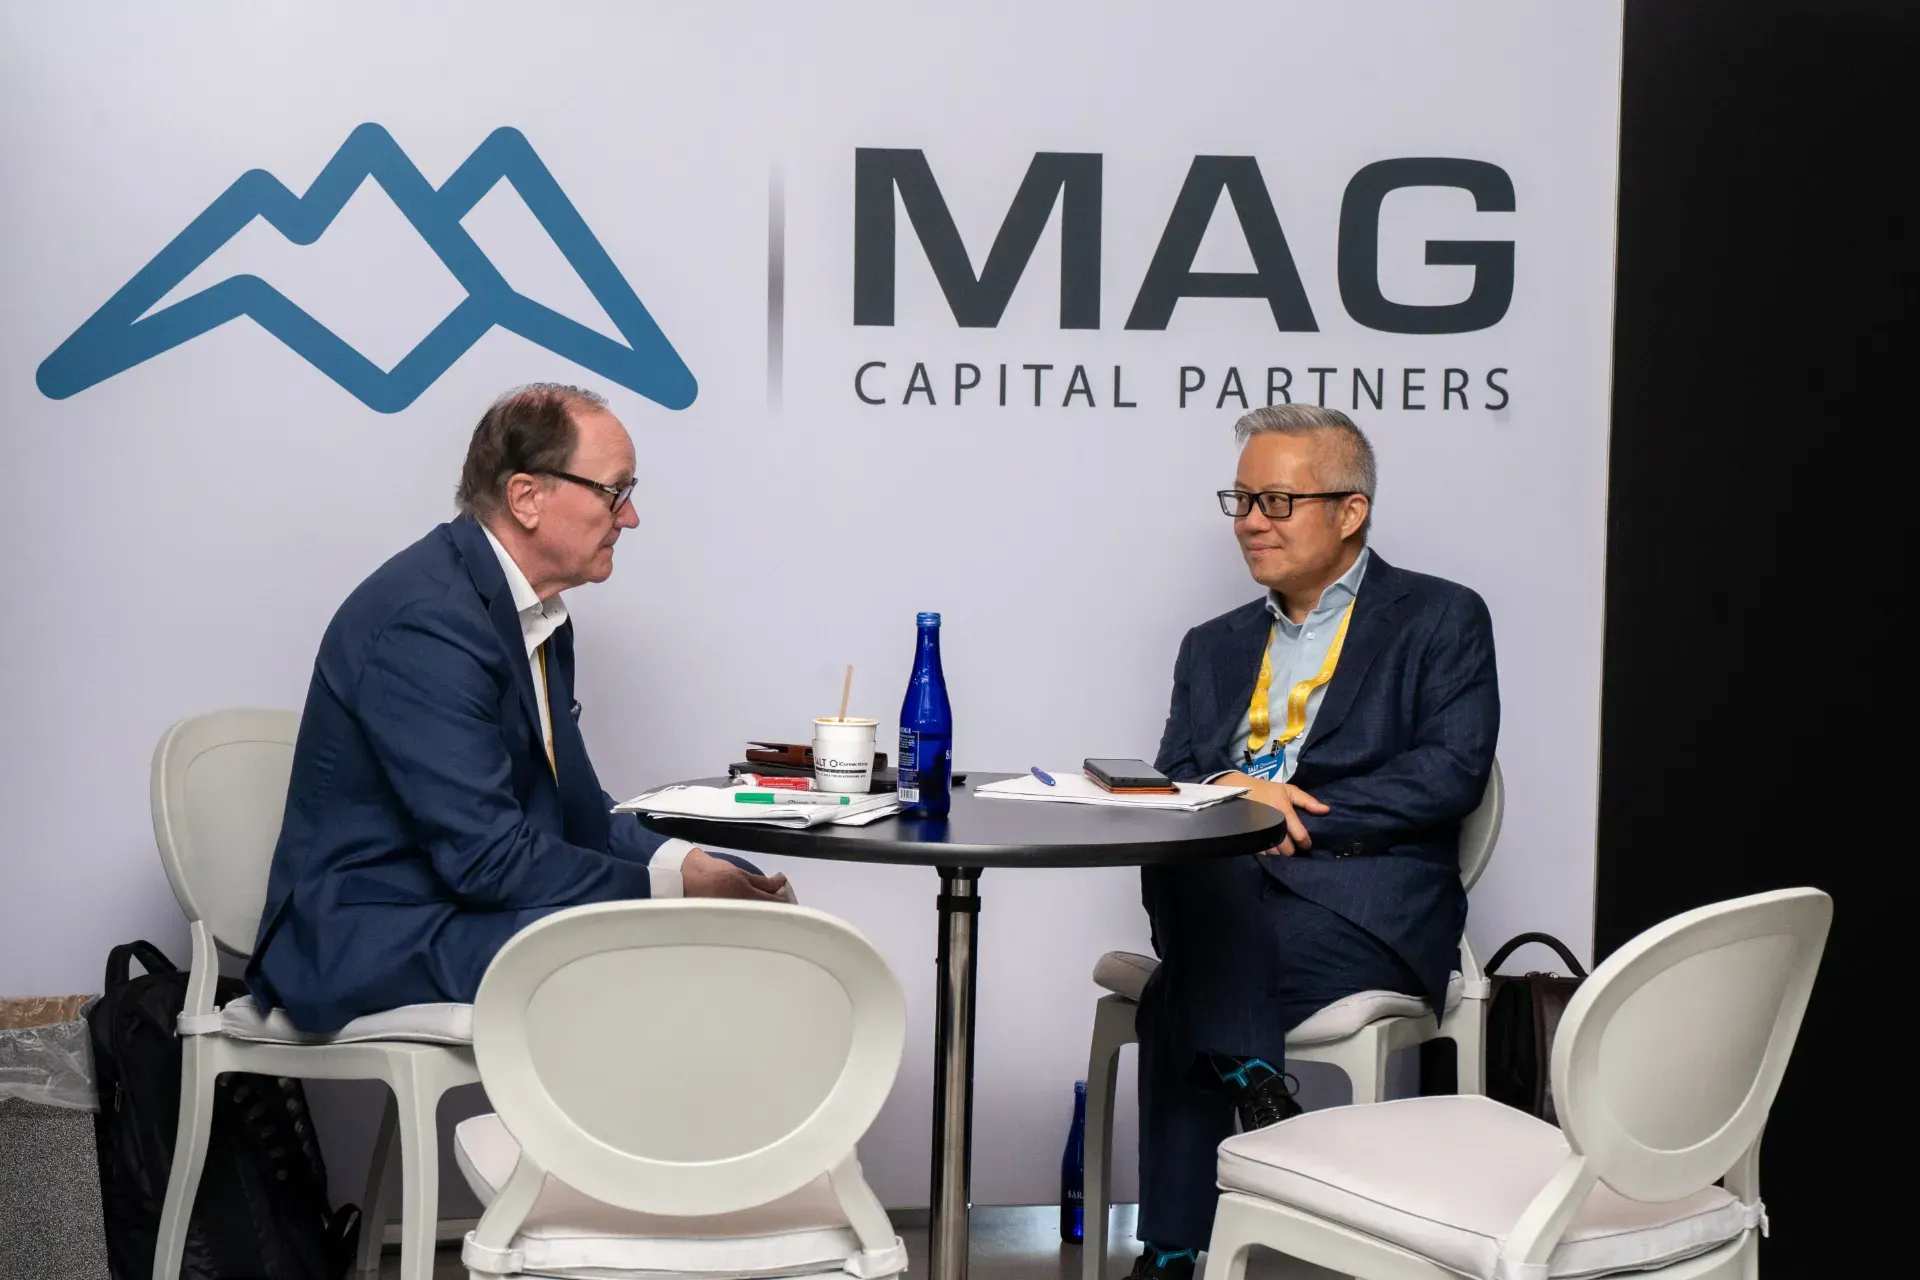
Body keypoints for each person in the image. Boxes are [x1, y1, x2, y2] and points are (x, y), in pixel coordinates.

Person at [248, 383, 788, 1033]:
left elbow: (579, 815)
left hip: (456, 906)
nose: (631, 517)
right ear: (527, 497)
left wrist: (687, 866)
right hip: (369, 932)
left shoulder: (538, 618)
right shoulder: (426, 622)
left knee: (735, 887)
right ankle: (636, 1134)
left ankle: (710, 1128)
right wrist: (672, 894)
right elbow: (487, 861)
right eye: (615, 491)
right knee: (628, 942)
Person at [1131, 404, 1499, 1279]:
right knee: (1195, 854)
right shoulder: (1211, 645)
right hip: (1225, 892)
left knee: (1174, 992)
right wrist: (1230, 792)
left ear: (1350, 509)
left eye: (1276, 502)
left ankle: (1174, 1252)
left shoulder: (1441, 617)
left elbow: (1450, 773)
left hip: (1361, 904)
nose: (1250, 521)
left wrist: (1282, 808)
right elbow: (1174, 775)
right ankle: (1256, 1083)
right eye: (1241, 499)